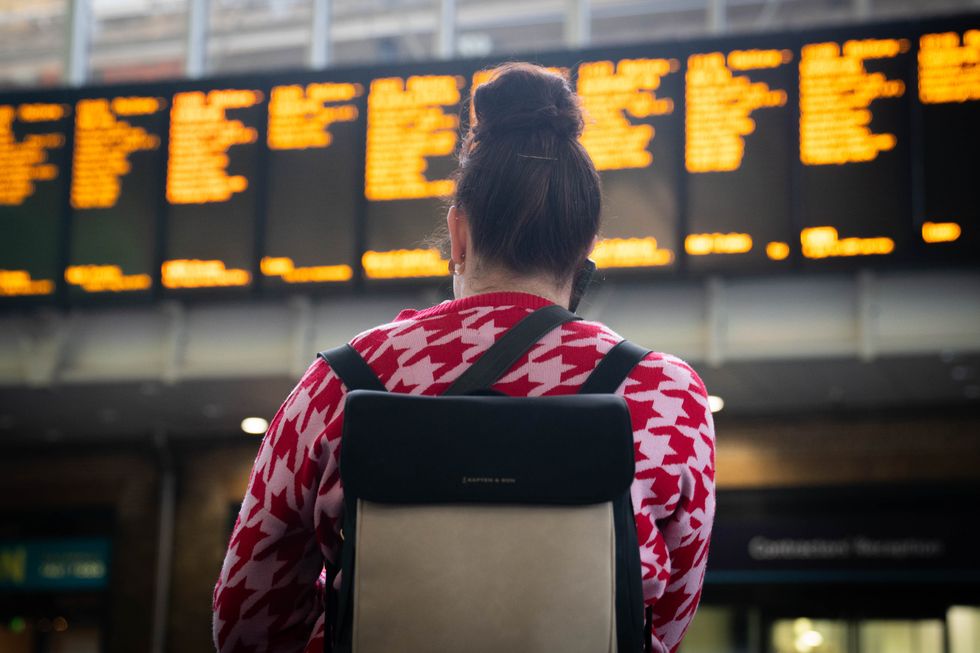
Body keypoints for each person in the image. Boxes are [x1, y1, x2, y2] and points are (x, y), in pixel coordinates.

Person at [213, 62, 716, 653]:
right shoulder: (664, 396)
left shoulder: (340, 381)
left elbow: (244, 622)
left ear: (458, 235)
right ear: (586, 248)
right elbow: (665, 624)